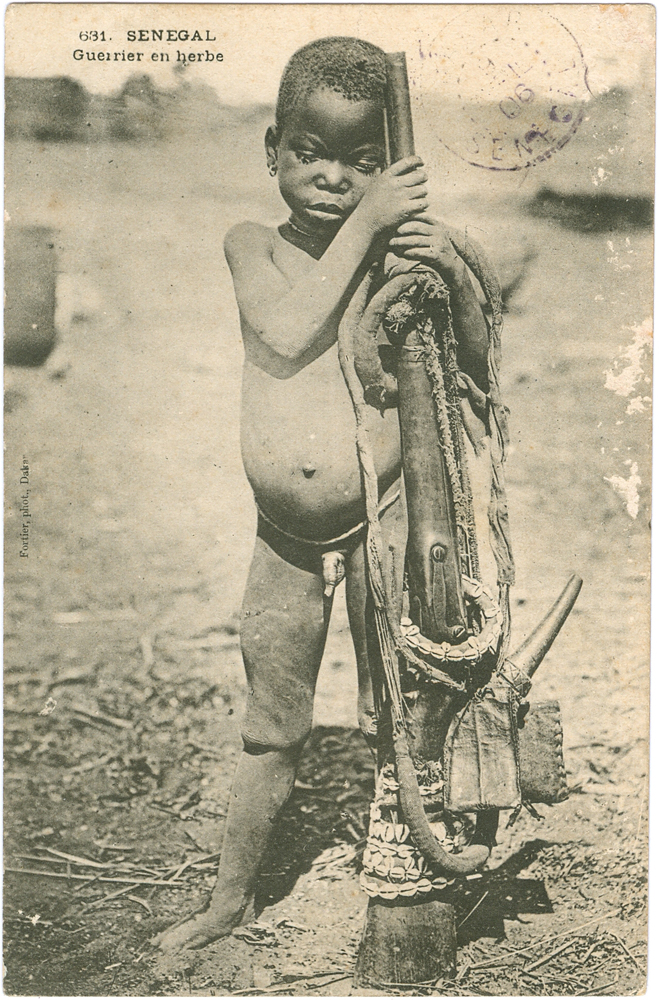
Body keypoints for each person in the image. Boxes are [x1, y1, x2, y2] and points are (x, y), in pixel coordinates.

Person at [154, 35, 489, 954]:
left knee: (397, 705)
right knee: (273, 727)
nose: (334, 179)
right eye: (310, 153)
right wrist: (373, 221)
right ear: (271, 151)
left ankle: (408, 869)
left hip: (383, 522)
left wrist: (447, 268)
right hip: (286, 537)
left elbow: (474, 363)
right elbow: (289, 328)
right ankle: (231, 899)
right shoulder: (253, 245)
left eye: (363, 162)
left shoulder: (393, 256)